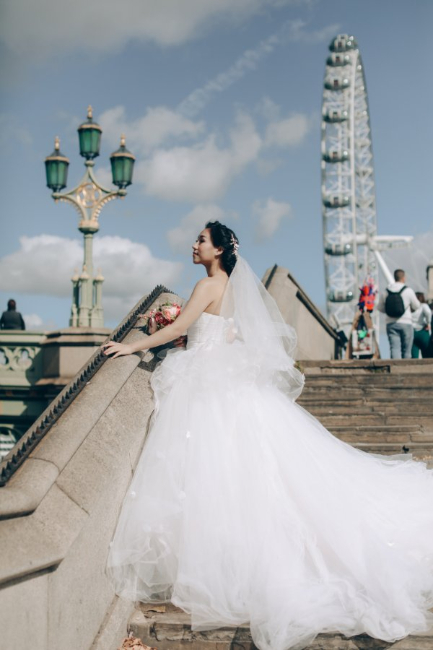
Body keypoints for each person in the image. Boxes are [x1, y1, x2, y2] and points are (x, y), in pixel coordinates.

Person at [103, 223, 433, 650]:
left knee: (210, 475)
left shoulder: (208, 284)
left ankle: (219, 566)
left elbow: (178, 328)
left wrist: (133, 346)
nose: (194, 244)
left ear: (219, 250)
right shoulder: (234, 289)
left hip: (204, 383)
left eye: (201, 240)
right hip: (222, 379)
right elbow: (233, 332)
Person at [377, 269, 420, 359]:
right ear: (403, 278)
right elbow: (417, 306)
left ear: (394, 277)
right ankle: (406, 369)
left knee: (394, 348)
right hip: (406, 322)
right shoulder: (408, 290)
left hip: (391, 323)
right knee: (407, 350)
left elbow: (380, 307)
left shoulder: (386, 291)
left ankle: (395, 368)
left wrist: (389, 311)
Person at [411, 292, 432, 358]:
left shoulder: (410, 306)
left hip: (412, 332)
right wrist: (428, 323)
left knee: (414, 355)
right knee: (427, 353)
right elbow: (428, 312)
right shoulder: (423, 305)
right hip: (422, 331)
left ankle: (414, 367)